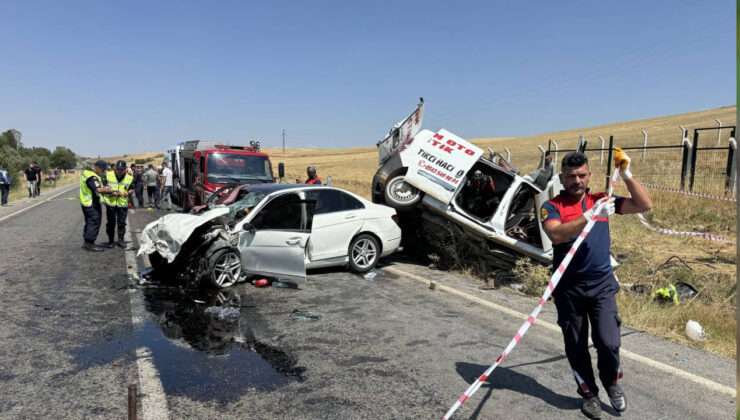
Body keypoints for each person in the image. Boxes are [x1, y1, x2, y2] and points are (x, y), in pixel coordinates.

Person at [540, 149, 652, 419]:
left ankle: (612, 383)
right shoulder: (551, 206)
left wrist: (626, 173)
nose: (576, 181)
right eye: (570, 176)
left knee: (608, 341)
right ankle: (589, 394)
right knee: (576, 346)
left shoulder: (602, 199)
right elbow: (556, 234)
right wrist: (590, 216)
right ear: (562, 178)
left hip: (602, 285)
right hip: (569, 289)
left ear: (589, 175)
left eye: (581, 175)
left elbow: (644, 205)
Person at [79, 161, 113, 251]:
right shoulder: (92, 176)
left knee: (90, 222)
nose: (104, 172)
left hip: (87, 202)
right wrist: (110, 191)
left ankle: (87, 243)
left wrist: (104, 188)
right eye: (103, 170)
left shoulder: (88, 173)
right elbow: (98, 190)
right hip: (91, 203)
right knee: (94, 222)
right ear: (97, 168)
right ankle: (90, 244)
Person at [102, 160, 134, 248]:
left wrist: (127, 193)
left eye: (121, 170)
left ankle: (120, 240)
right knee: (111, 223)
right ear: (115, 168)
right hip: (110, 204)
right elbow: (103, 187)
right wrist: (110, 192)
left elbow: (131, 189)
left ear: (125, 169)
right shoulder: (108, 174)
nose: (119, 171)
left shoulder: (129, 177)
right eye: (118, 169)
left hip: (122, 204)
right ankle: (111, 241)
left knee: (122, 223)